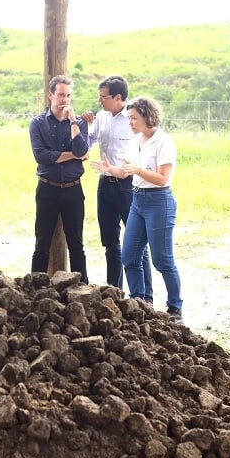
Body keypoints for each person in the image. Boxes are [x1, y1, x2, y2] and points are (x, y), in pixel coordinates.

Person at [92, 96, 183, 322]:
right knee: (129, 256)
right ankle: (140, 301)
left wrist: (138, 170)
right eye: (129, 118)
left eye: (134, 118)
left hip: (159, 201)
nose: (130, 123)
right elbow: (125, 171)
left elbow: (162, 179)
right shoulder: (136, 140)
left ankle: (175, 307)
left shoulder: (164, 141)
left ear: (147, 116)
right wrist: (109, 169)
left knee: (162, 259)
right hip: (138, 200)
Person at [84, 75, 153, 301]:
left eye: (104, 97)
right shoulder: (102, 117)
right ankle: (114, 294)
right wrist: (82, 126)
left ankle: (144, 298)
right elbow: (88, 142)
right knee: (110, 242)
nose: (100, 100)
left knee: (137, 243)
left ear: (118, 97)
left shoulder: (135, 119)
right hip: (105, 184)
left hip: (129, 186)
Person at [29, 75, 90, 284]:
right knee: (42, 243)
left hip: (73, 190)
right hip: (48, 190)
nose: (65, 100)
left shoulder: (80, 122)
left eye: (68, 96)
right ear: (50, 95)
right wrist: (73, 155)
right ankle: (34, 289)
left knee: (76, 244)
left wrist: (73, 121)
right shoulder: (37, 123)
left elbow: (82, 148)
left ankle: (82, 289)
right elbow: (42, 157)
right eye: (61, 95)